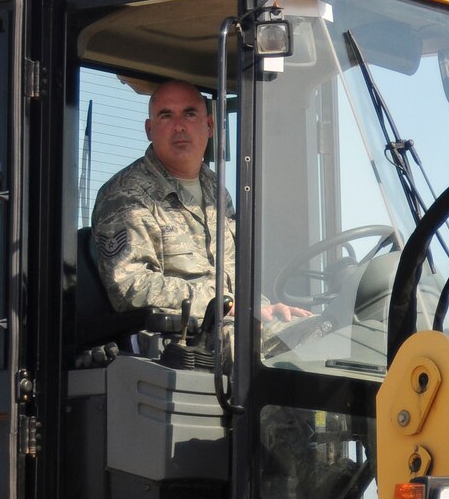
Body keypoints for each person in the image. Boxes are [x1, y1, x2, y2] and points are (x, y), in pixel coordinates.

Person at [90, 80, 308, 333]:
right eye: (166, 116)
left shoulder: (216, 189)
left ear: (210, 126)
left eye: (190, 114)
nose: (180, 126)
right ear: (150, 130)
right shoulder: (125, 194)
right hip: (180, 338)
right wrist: (225, 306)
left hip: (233, 324)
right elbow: (130, 287)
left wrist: (263, 307)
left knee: (326, 334)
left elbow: (237, 272)